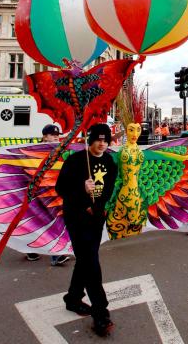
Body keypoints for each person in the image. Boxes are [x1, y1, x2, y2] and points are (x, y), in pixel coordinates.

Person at [55, 123, 118, 337]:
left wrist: (96, 207)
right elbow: (60, 189)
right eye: (98, 139)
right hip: (76, 217)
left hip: (96, 218)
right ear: (90, 140)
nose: (102, 143)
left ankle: (73, 298)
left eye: (105, 140)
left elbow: (108, 189)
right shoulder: (75, 161)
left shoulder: (109, 161)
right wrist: (82, 191)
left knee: (85, 259)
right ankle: (101, 313)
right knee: (91, 262)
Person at [26, 124, 69, 266]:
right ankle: (30, 248)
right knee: (36, 222)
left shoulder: (60, 150)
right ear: (44, 136)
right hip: (38, 193)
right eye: (52, 134)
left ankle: (57, 254)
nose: (56, 136)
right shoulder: (33, 150)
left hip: (55, 191)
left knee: (55, 221)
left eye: (57, 134)